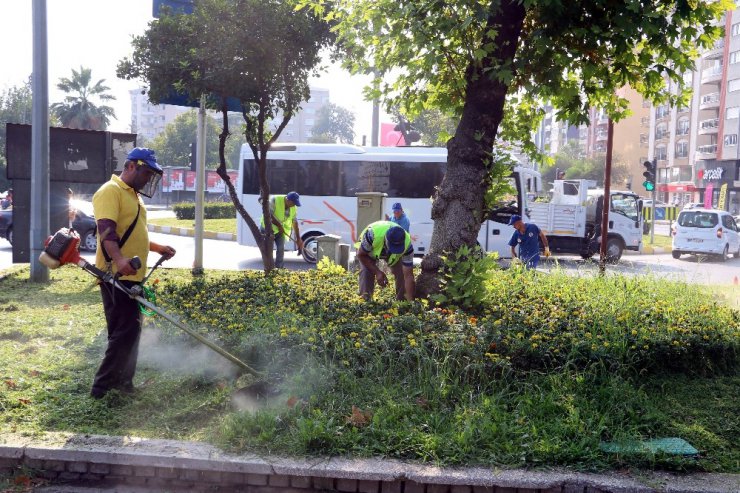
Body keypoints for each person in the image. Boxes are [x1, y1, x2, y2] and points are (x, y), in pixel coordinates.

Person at [90, 148, 176, 399]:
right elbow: (107, 232)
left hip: (132, 275)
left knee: (131, 332)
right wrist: (118, 260)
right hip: (115, 275)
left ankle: (124, 384)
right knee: (123, 332)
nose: (148, 178)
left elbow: (133, 234)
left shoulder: (134, 197)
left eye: (151, 174)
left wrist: (158, 248)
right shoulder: (110, 191)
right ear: (130, 167)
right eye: (146, 172)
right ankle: (102, 389)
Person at [355, 220, 415, 301]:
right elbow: (361, 255)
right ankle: (366, 301)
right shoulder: (371, 234)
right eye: (393, 247)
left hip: (386, 249)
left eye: (398, 248)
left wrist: (410, 301)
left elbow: (409, 275)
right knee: (366, 271)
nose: (395, 250)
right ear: (386, 239)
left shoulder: (407, 245)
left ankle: (402, 302)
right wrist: (377, 272)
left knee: (402, 273)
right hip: (367, 251)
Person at [260, 191, 304, 268]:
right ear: (288, 200)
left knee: (281, 248)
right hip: (267, 229)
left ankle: (279, 268)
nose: (294, 205)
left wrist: (298, 238)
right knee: (268, 250)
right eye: (293, 203)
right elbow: (268, 215)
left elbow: (294, 222)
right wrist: (279, 226)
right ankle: (269, 268)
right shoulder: (274, 200)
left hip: (279, 230)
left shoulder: (293, 207)